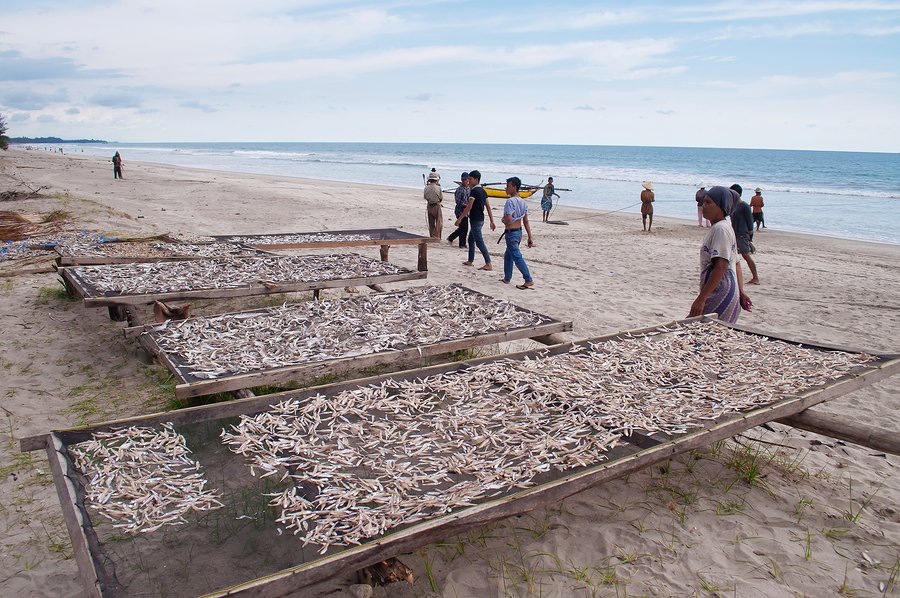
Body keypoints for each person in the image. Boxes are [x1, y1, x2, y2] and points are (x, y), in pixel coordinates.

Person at [689, 186, 752, 322]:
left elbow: (721, 266)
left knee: (693, 329)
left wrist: (701, 299)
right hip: (727, 290)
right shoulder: (724, 226)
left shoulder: (720, 229)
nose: (704, 206)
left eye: (709, 203)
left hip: (720, 291)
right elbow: (736, 264)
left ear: (722, 207)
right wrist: (740, 292)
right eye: (704, 202)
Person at [456, 170, 496, 270]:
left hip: (476, 220)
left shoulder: (474, 191)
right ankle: (470, 260)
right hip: (480, 219)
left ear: (476, 180)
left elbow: (469, 206)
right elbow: (488, 206)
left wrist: (460, 219)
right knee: (471, 240)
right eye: (468, 179)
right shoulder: (483, 191)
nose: (468, 181)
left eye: (470, 179)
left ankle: (488, 263)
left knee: (479, 241)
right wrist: (491, 221)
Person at [500, 177, 535, 289]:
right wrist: (529, 236)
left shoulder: (510, 202)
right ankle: (507, 278)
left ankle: (528, 279)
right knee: (509, 255)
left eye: (508, 186)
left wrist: (503, 220)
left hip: (511, 232)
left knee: (516, 256)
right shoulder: (523, 202)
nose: (506, 188)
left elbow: (509, 219)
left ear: (514, 187)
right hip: (519, 231)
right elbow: (526, 221)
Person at [729, 184, 760, 285]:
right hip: (734, 233)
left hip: (742, 234)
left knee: (745, 255)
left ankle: (755, 277)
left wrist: (750, 236)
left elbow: (750, 222)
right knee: (731, 255)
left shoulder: (745, 206)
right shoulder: (732, 206)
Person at [447, 172, 470, 248]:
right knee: (463, 227)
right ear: (462, 180)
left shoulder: (468, 189)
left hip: (466, 211)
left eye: (467, 180)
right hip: (460, 211)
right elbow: (458, 201)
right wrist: (466, 205)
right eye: (464, 180)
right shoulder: (459, 190)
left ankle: (451, 238)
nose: (466, 181)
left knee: (464, 228)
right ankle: (461, 243)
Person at [423, 170, 443, 238]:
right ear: (436, 180)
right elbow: (441, 198)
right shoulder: (438, 188)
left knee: (431, 223)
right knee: (439, 222)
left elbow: (425, 197)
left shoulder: (426, 188)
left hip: (429, 206)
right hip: (436, 206)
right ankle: (437, 236)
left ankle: (432, 235)